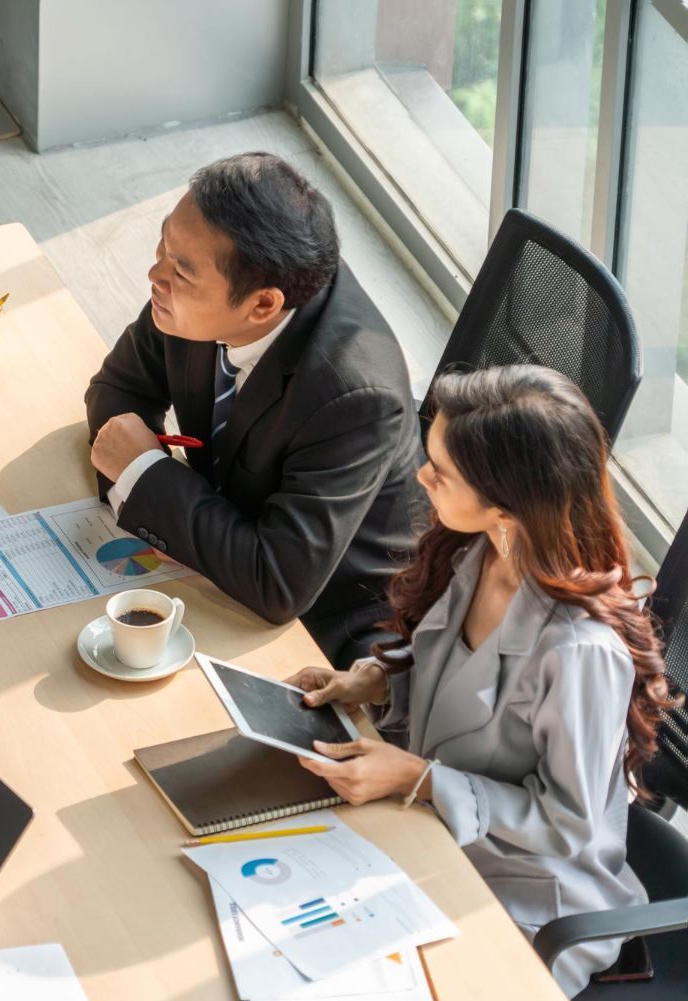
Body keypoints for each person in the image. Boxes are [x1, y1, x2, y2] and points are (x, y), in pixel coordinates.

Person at [288, 365, 678, 997]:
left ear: (506, 503)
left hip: (522, 893)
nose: (420, 476)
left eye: (440, 472)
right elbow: (463, 680)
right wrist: (375, 682)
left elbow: (568, 823)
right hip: (430, 832)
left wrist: (419, 778)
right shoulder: (484, 551)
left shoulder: (580, 651)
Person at [86, 152, 422, 668]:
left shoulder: (356, 397)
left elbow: (276, 584)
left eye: (180, 270)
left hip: (329, 632)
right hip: (220, 569)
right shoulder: (203, 289)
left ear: (263, 305)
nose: (155, 274)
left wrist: (143, 473)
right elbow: (118, 390)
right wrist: (173, 507)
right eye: (162, 245)